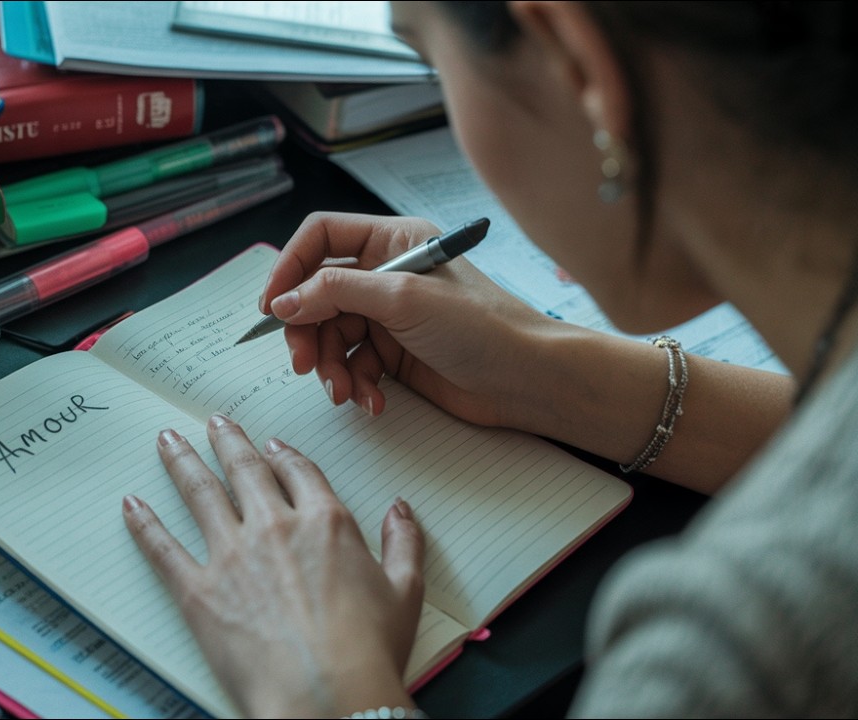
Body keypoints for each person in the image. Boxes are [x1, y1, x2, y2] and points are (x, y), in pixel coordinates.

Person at [121, 1, 858, 718]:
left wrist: (332, 691)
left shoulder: (739, 654)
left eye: (432, 66)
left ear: (579, 67)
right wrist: (559, 374)